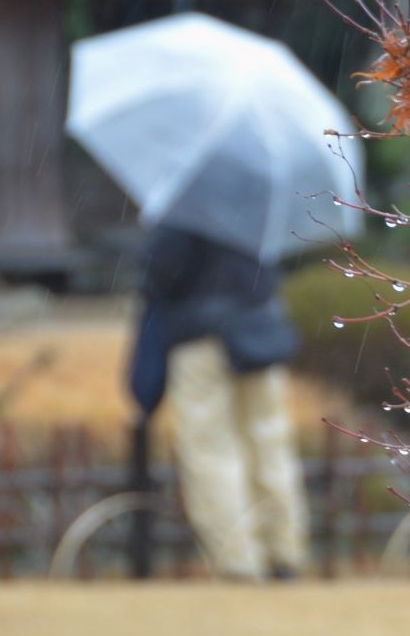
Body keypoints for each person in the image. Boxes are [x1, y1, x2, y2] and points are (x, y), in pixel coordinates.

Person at [129, 223, 311, 580]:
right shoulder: (260, 201)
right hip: (260, 337)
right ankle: (284, 553)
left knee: (211, 448)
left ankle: (239, 560)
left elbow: (157, 277)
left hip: (201, 340)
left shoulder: (185, 209)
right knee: (269, 443)